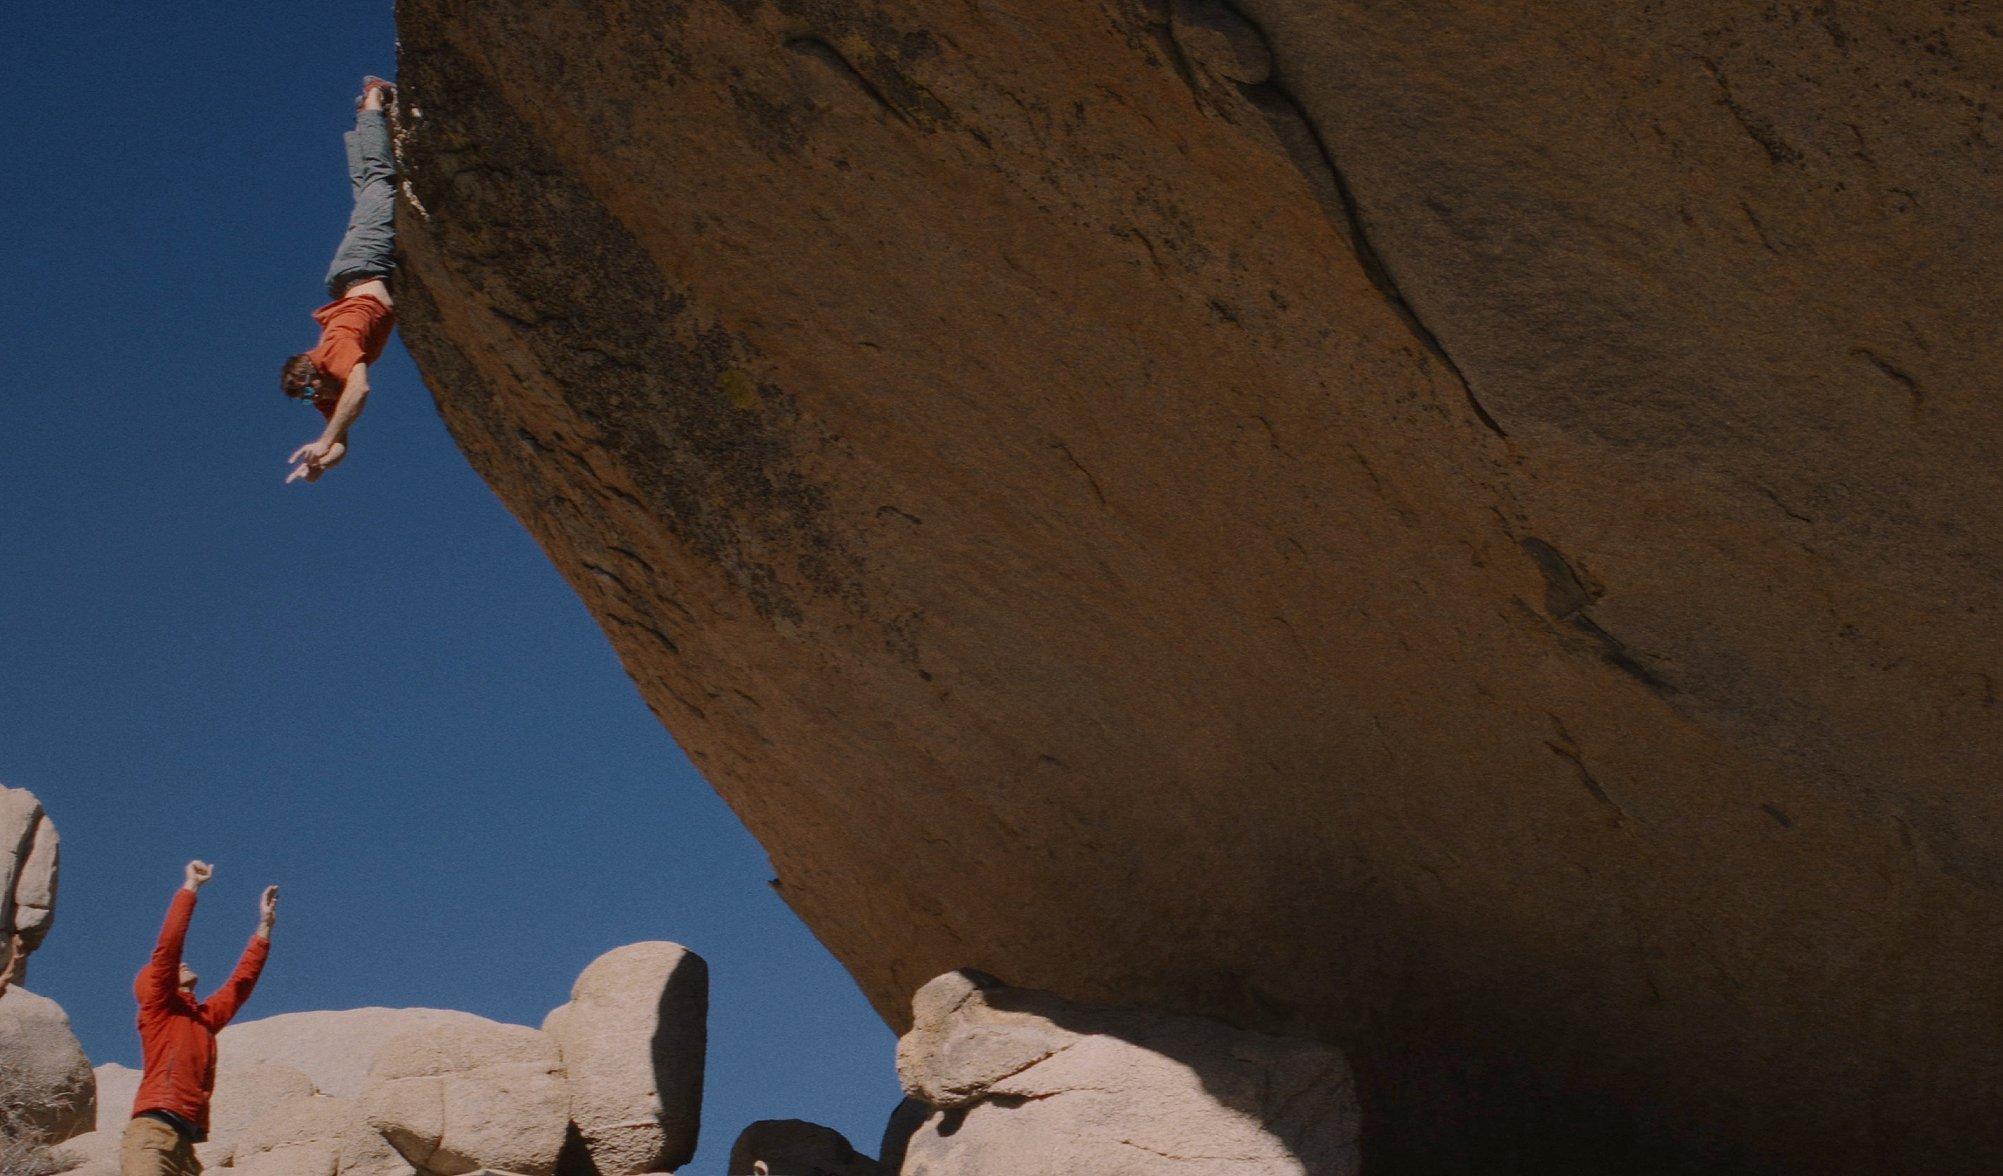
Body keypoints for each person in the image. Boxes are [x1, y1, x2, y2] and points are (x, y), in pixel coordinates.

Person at [122, 861, 278, 1176]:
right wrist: (190, 888)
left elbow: (240, 985)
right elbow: (168, 948)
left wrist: (264, 927)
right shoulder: (159, 1010)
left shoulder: (201, 1020)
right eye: (174, 968)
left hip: (184, 1148)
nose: (183, 964)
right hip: (152, 1134)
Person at [280, 77, 399, 484]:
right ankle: (364, 119)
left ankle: (373, 100)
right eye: (310, 399)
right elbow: (342, 440)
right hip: (356, 270)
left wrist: (325, 436)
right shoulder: (329, 380)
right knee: (367, 189)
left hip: (365, 263)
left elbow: (360, 391)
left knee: (381, 182)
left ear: (312, 373)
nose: (317, 400)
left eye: (311, 392)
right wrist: (321, 462)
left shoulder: (335, 354)